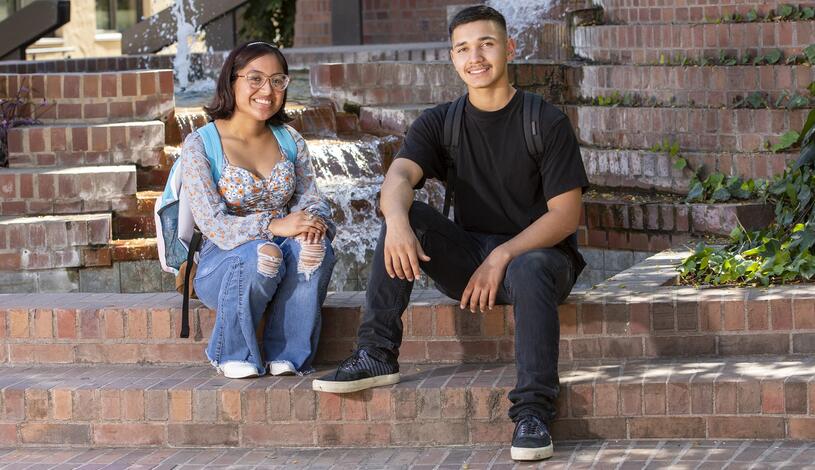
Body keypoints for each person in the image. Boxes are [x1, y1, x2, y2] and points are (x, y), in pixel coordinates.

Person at [312, 6, 588, 462]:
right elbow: (399, 174)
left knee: (534, 264)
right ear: (453, 58)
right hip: (471, 258)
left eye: (486, 44)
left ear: (509, 49)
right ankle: (376, 352)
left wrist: (503, 256)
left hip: (539, 260)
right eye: (463, 48)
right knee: (408, 214)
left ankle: (533, 412)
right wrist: (397, 222)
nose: (475, 56)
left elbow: (564, 216)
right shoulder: (443, 121)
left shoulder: (544, 120)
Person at [180, 41, 336, 379]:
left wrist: (312, 222)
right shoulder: (200, 144)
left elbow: (312, 198)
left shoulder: (289, 140)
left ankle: (289, 354)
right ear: (231, 81)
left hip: (284, 259)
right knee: (264, 252)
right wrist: (275, 225)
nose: (268, 90)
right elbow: (214, 224)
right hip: (222, 265)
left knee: (312, 247)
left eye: (278, 80)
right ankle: (230, 352)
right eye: (255, 78)